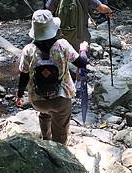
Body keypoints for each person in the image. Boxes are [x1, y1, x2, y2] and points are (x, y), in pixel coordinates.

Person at [15, 10, 88, 144]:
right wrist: (83, 49)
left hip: (38, 100)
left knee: (44, 113)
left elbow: (24, 75)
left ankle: (46, 139)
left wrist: (19, 95)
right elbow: (82, 63)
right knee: (60, 125)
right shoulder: (62, 45)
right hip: (60, 99)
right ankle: (58, 149)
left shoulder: (28, 50)